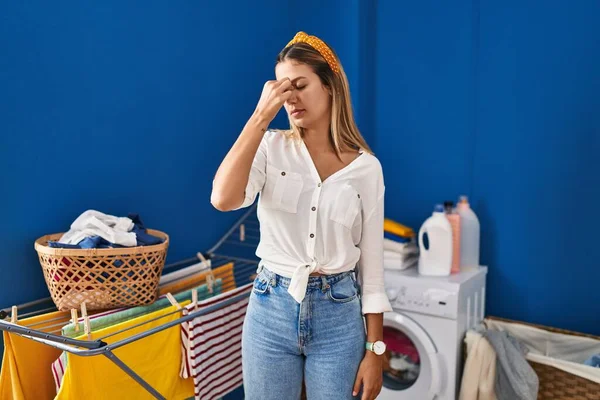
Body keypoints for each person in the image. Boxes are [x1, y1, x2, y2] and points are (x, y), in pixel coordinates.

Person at [211, 31, 392, 400]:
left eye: (300, 84)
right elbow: (223, 199)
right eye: (281, 89)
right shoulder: (269, 147)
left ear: (329, 86)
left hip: (339, 315)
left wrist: (376, 351)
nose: (289, 97)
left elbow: (372, 269)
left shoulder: (366, 169)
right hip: (269, 308)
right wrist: (261, 116)